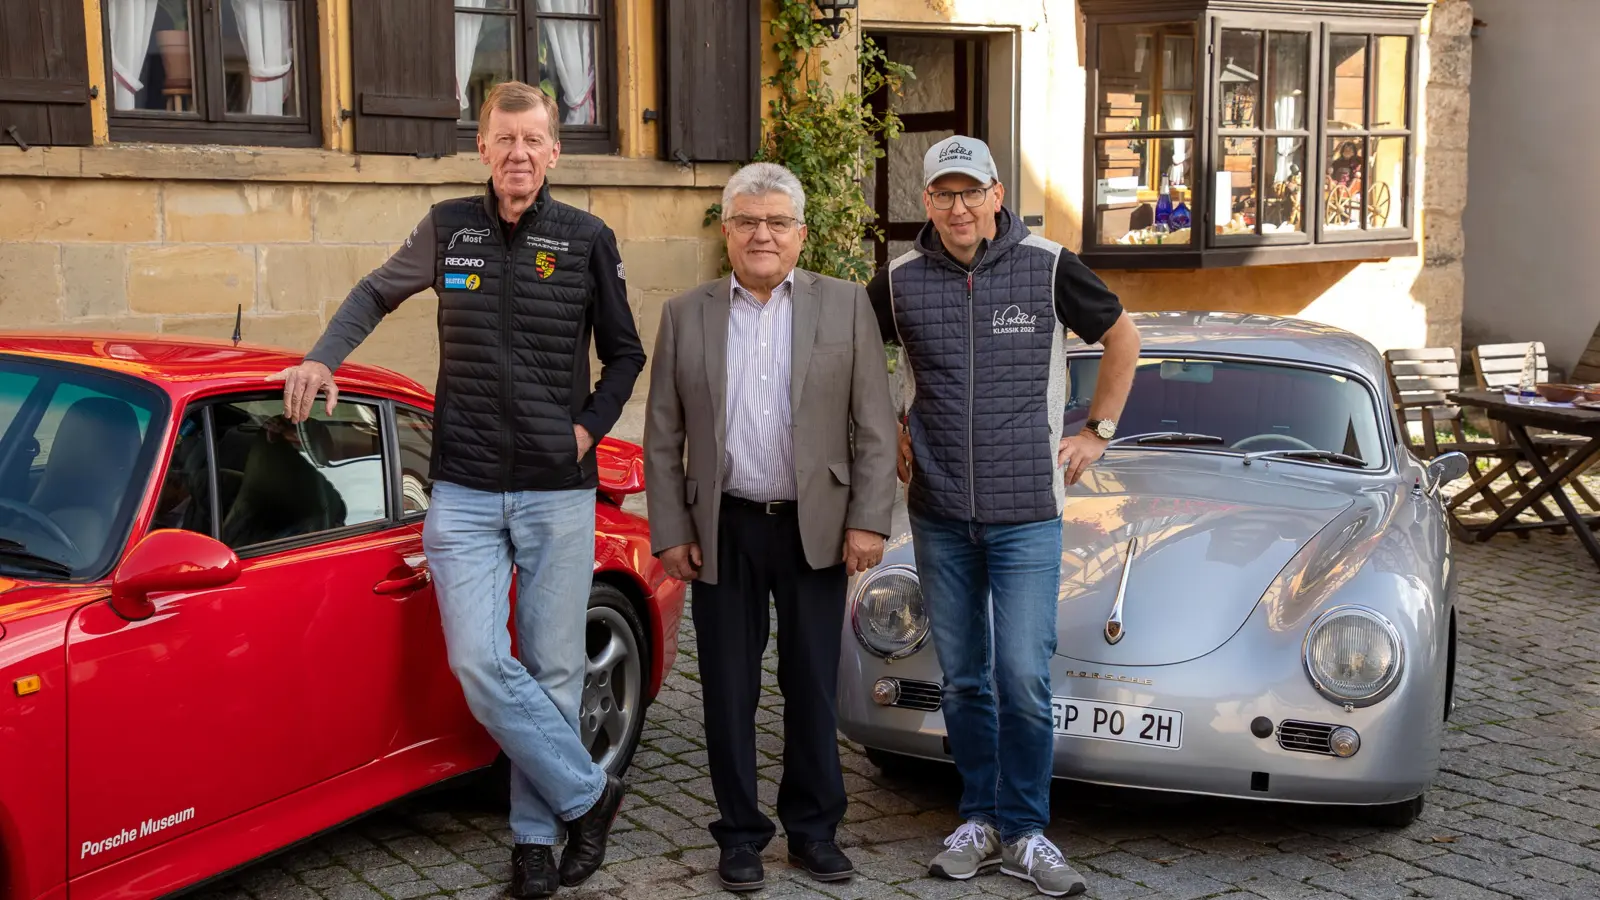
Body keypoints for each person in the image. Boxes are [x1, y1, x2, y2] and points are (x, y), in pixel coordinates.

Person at [267, 81, 641, 900]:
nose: (517, 154)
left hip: (557, 491)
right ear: (482, 147)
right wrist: (323, 356)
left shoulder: (586, 239)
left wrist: (584, 432)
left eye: (532, 140)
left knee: (551, 669)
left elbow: (624, 355)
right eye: (503, 139)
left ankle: (534, 844)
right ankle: (590, 795)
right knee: (480, 662)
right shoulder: (448, 229)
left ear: (553, 151)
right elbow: (372, 292)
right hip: (465, 490)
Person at [865, 136, 1141, 898]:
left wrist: (1097, 432)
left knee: (1022, 675)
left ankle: (1025, 830)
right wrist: (888, 424)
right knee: (965, 681)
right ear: (926, 203)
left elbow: (1123, 339)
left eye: (970, 192)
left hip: (1028, 516)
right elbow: (854, 360)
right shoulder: (898, 281)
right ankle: (979, 818)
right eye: (942, 194)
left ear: (995, 196)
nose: (957, 207)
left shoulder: (1048, 266)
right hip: (940, 512)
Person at [643, 162, 898, 892]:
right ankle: (740, 835)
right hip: (723, 527)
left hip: (816, 527)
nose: (762, 234)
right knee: (726, 688)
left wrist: (869, 522)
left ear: (800, 234)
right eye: (748, 221)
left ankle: (814, 830)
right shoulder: (686, 313)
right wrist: (670, 530)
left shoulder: (846, 306)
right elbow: (663, 436)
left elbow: (875, 428)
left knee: (811, 682)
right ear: (726, 232)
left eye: (777, 222)